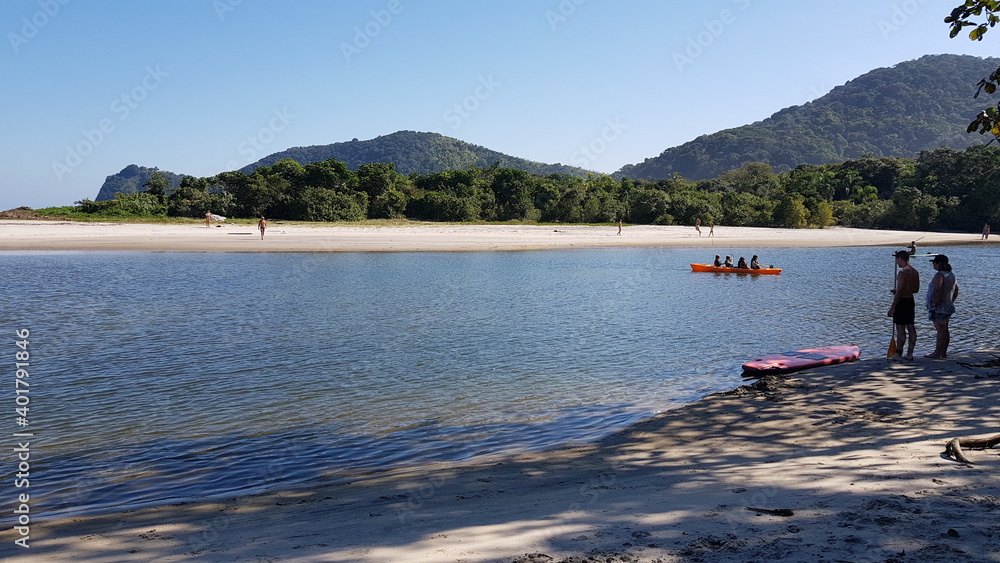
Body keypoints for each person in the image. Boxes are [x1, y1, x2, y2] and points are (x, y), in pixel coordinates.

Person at [924, 254, 959, 359]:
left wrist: (936, 302)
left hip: (939, 307)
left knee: (940, 330)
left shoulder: (939, 275)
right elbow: (956, 290)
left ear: (938, 264)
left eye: (934, 263)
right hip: (948, 306)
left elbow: (937, 288)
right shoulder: (951, 274)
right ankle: (943, 352)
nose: (933, 265)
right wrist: (951, 301)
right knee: (945, 330)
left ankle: (937, 353)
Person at [888, 250, 919, 361]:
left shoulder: (902, 273)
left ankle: (898, 354)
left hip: (902, 302)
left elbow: (900, 291)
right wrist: (902, 290)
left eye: (897, 260)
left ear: (901, 259)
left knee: (900, 328)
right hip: (910, 300)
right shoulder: (915, 272)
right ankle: (910, 353)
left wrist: (892, 307)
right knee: (911, 327)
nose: (897, 263)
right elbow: (915, 289)